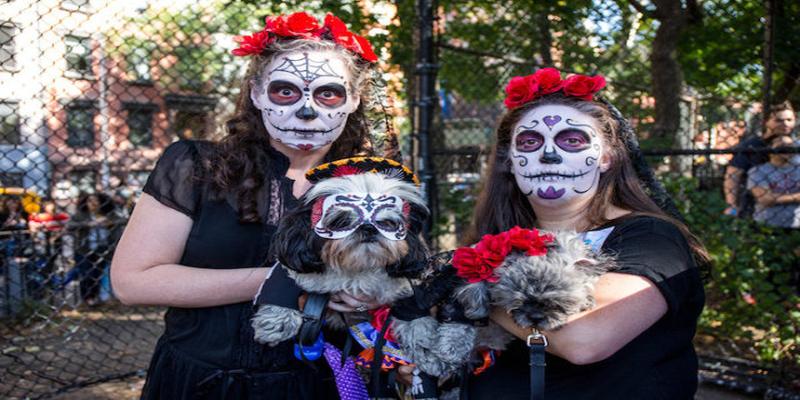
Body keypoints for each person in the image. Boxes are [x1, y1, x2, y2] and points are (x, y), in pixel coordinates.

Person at [110, 12, 388, 399]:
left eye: (328, 93)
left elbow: (388, 287)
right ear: (257, 93)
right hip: (201, 382)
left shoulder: (371, 187)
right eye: (285, 91)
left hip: (317, 384)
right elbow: (132, 281)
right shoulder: (198, 166)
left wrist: (367, 298)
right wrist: (292, 281)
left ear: (353, 100)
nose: (307, 110)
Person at [462, 68, 708, 399]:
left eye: (572, 140)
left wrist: (466, 291)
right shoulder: (498, 240)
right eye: (531, 141)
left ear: (607, 157)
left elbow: (584, 339)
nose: (548, 153)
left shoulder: (652, 237)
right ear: (511, 160)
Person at [724, 101, 797, 217]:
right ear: (766, 122)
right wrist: (731, 205)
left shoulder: (796, 144)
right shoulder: (752, 145)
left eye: (789, 120)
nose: (785, 124)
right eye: (779, 120)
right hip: (754, 207)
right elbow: (733, 175)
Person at [68, 192, 121, 305]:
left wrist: (109, 223)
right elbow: (70, 226)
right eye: (89, 201)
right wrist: (88, 224)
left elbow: (123, 220)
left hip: (103, 249)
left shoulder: (110, 215)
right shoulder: (81, 215)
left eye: (96, 201)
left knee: (98, 274)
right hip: (84, 249)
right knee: (86, 274)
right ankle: (87, 298)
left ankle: (97, 297)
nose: (92, 204)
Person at [747, 134, 800, 229]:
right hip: (767, 226)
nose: (787, 149)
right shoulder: (758, 171)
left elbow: (771, 198)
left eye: (790, 146)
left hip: (796, 225)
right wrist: (796, 196)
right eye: (782, 146)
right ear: (769, 149)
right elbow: (765, 199)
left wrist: (776, 197)